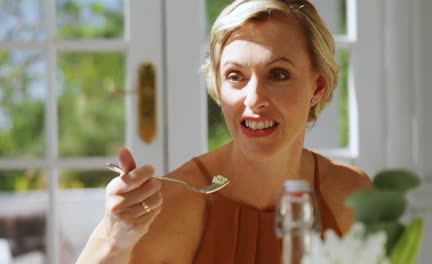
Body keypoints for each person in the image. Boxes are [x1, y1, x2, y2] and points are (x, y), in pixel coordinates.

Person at [77, 0, 371, 263]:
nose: (254, 99)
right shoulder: (173, 209)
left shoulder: (351, 195)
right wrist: (113, 239)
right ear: (218, 86)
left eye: (278, 75)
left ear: (317, 88)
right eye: (235, 77)